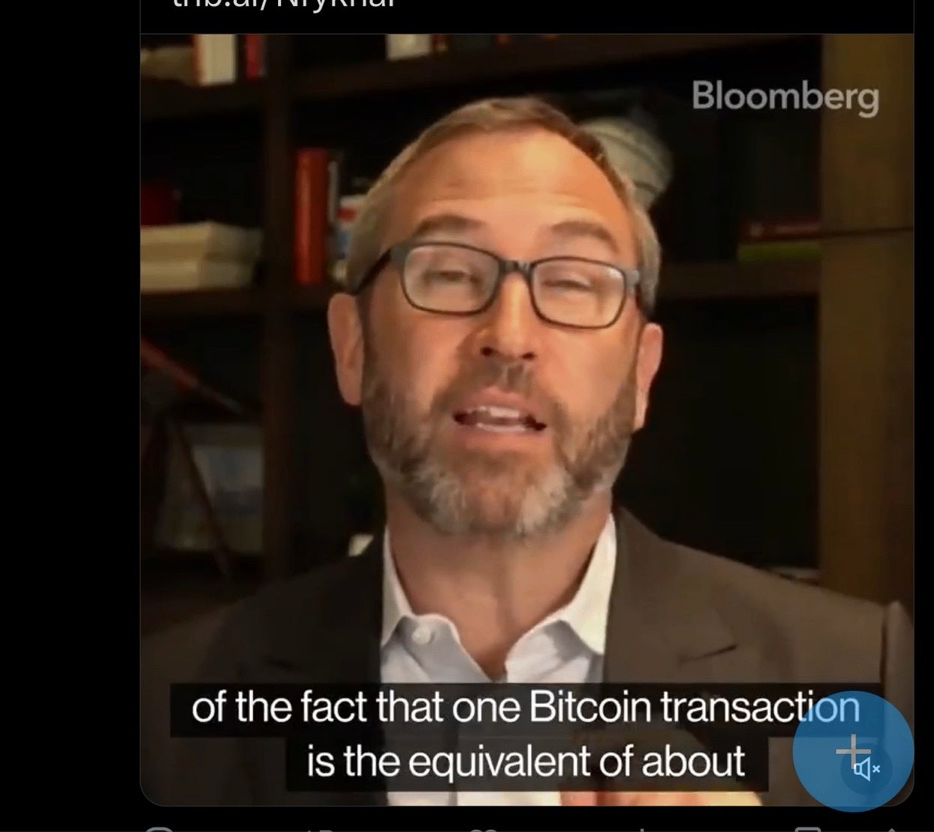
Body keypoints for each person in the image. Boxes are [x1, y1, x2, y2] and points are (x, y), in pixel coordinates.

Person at [141, 97, 912, 808]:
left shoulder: (859, 679)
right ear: (352, 348)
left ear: (642, 375)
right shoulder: (162, 710)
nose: (509, 336)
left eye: (573, 282)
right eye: (450, 273)